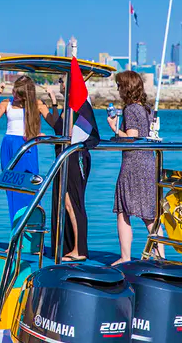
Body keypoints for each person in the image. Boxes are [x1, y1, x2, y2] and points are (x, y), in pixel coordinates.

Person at [42, 74, 99, 262]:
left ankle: (79, 249)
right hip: (66, 156)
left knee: (73, 202)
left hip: (75, 157)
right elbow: (60, 127)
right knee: (65, 202)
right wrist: (52, 102)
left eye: (62, 80)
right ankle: (69, 246)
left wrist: (47, 110)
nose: (60, 83)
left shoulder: (77, 104)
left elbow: (67, 131)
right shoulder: (69, 105)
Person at [108, 70, 160, 264]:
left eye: (120, 86)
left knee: (123, 210)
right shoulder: (147, 109)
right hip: (148, 161)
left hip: (133, 163)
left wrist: (114, 127)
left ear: (126, 88)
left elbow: (131, 138)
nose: (118, 89)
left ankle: (125, 257)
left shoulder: (130, 109)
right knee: (149, 213)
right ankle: (160, 256)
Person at [0, 76, 42, 220]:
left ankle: (32, 225)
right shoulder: (7, 103)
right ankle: (16, 227)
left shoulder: (36, 104)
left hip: (26, 145)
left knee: (30, 184)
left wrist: (54, 102)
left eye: (18, 93)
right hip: (9, 145)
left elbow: (53, 121)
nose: (14, 95)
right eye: (14, 91)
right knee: (11, 187)